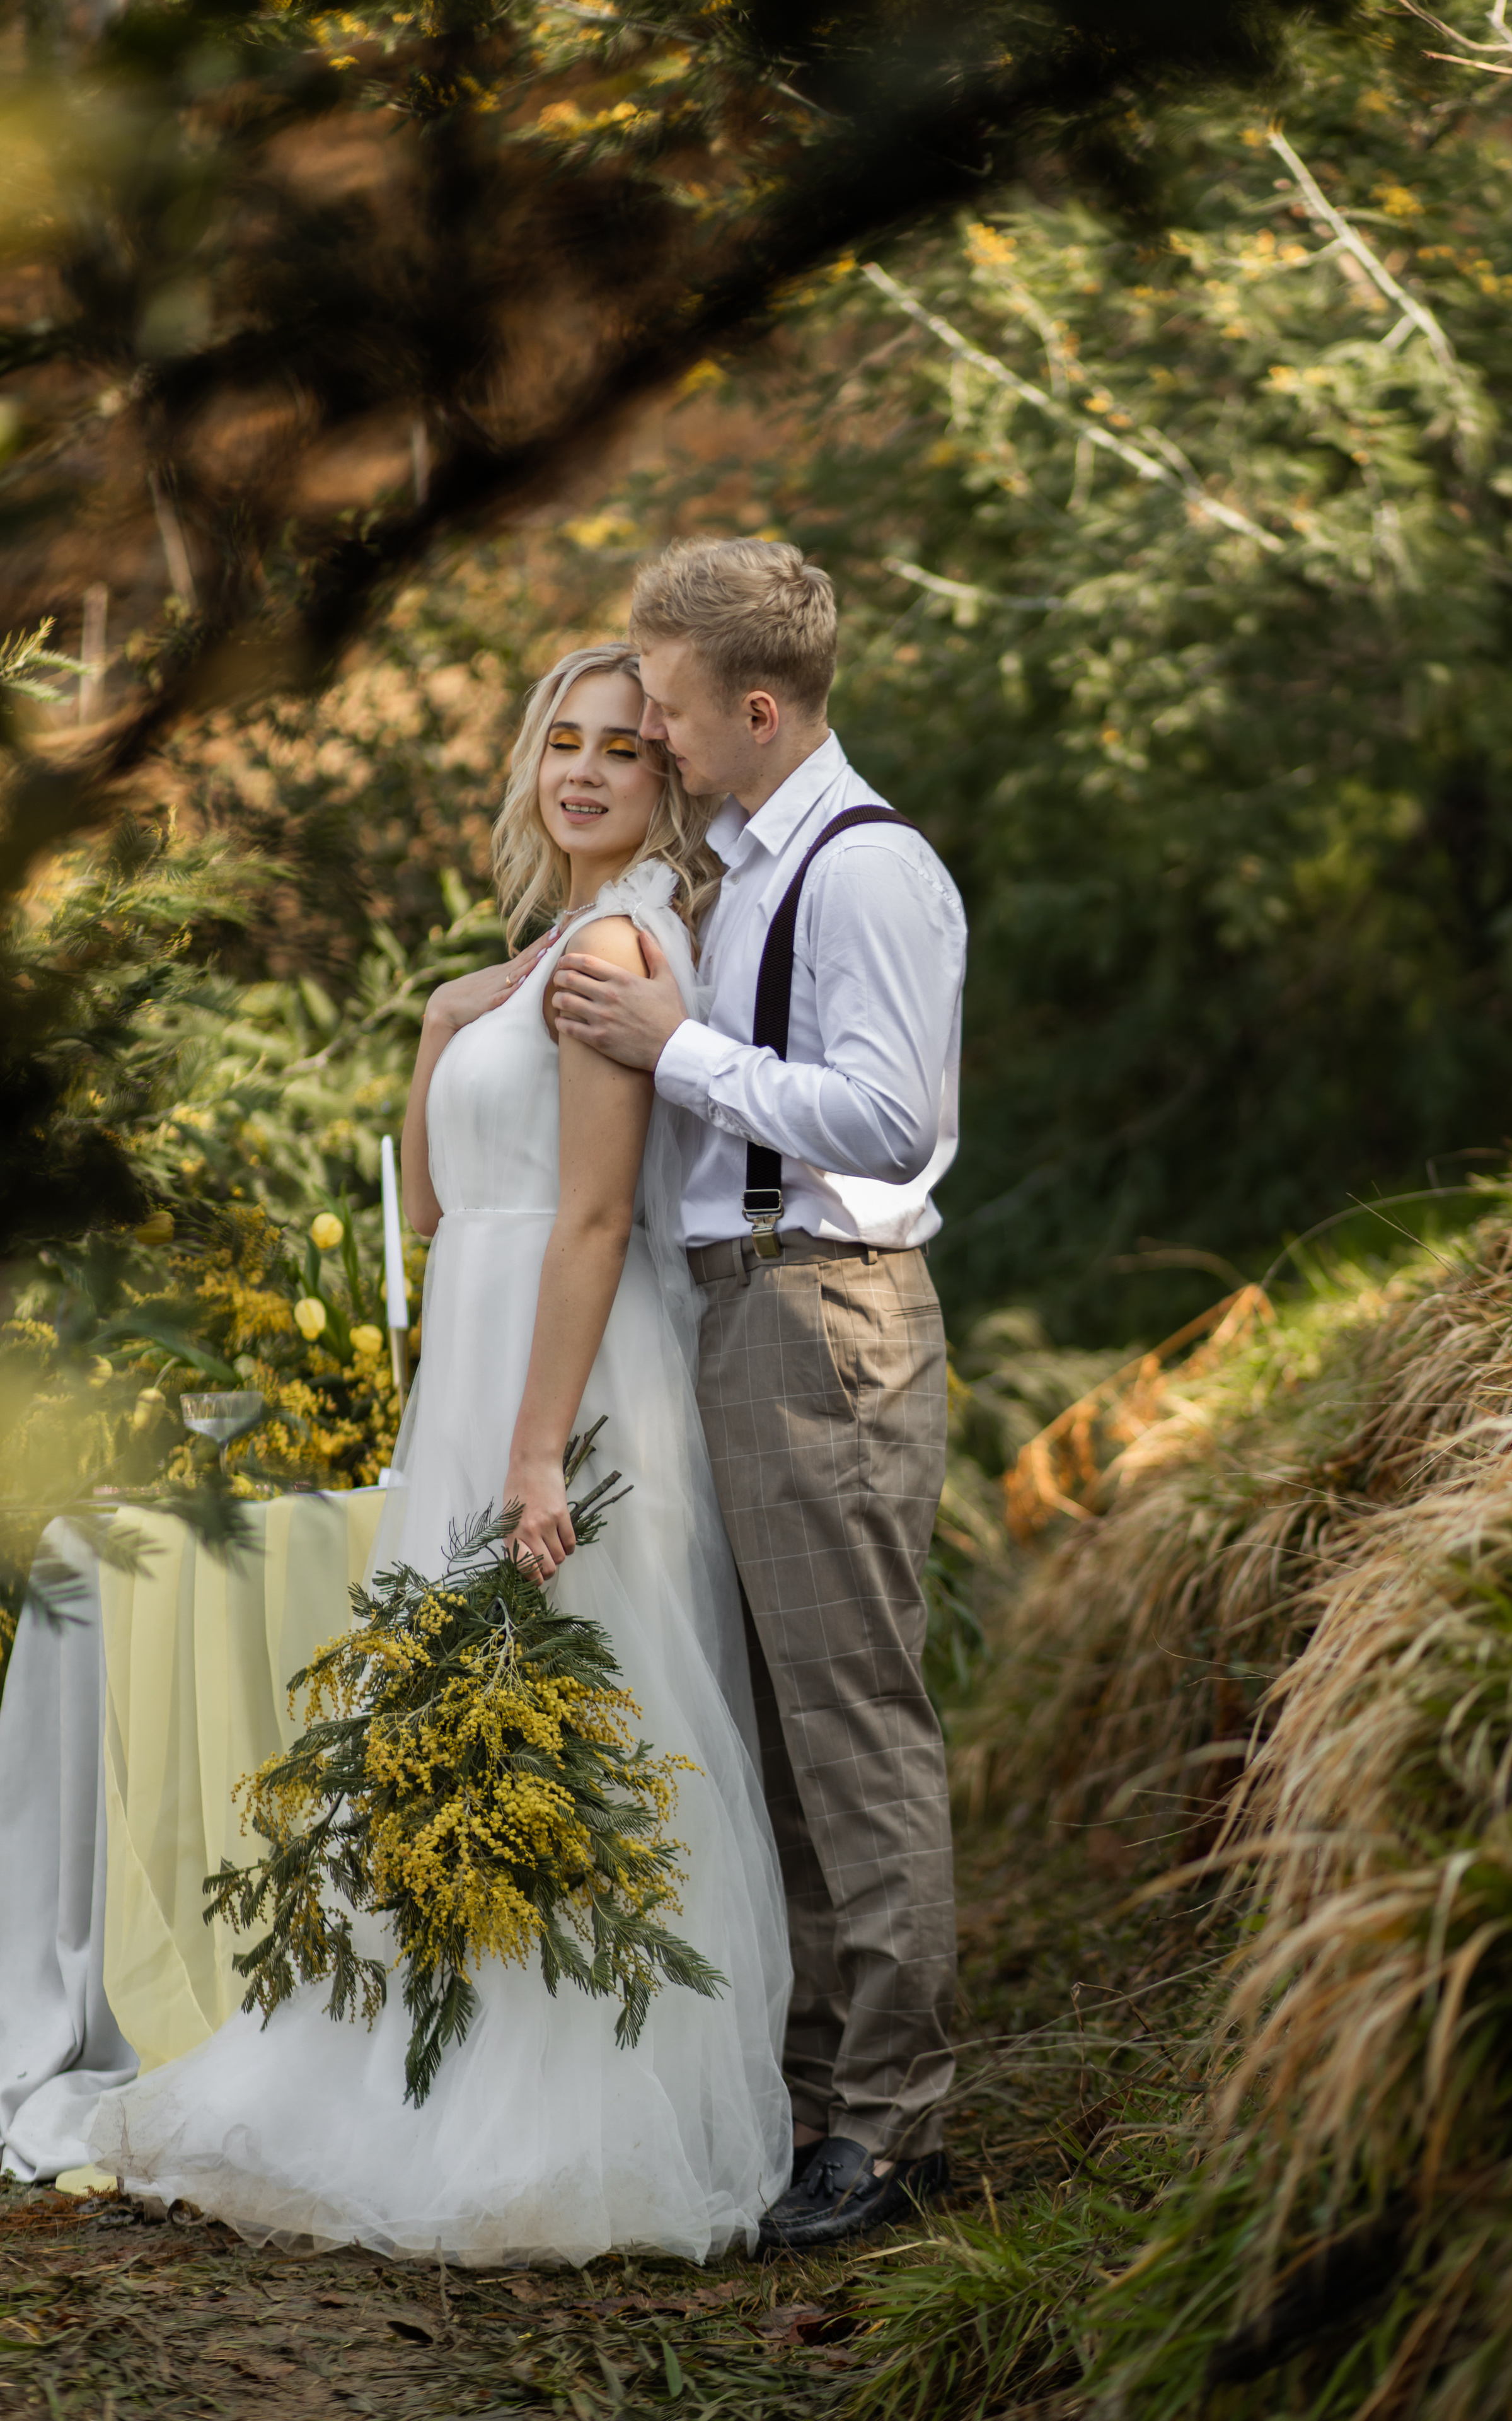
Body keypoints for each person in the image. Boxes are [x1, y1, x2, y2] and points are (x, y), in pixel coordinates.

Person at [89, 644, 793, 2266]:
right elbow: (426, 1210)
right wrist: (434, 1024)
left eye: (626, 750)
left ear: (666, 780)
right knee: (454, 1721)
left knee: (577, 1709)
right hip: (478, 1350)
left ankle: (570, 2108)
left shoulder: (620, 941)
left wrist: (541, 1454)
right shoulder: (534, 949)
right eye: (565, 741)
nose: (589, 771)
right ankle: (436, 2056)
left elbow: (600, 1219)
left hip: (567, 1377)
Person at [550, 539, 967, 2251]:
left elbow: (897, 1121)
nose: (643, 729)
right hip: (746, 1318)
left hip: (825, 1320)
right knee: (786, 1737)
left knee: (853, 1734)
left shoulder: (869, 873)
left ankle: (895, 2134)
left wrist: (679, 1056)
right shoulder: (740, 868)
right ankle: (817, 2104)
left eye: (661, 704)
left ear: (759, 706)